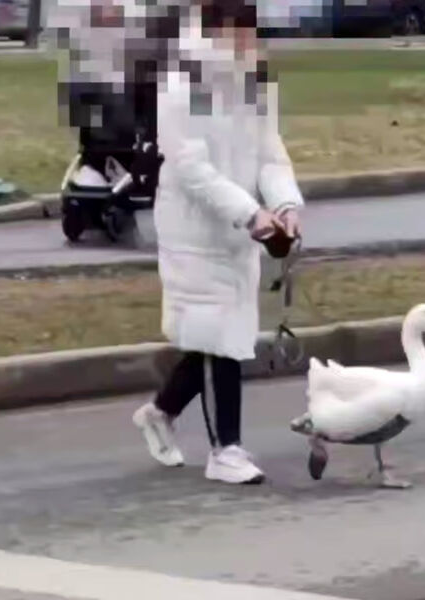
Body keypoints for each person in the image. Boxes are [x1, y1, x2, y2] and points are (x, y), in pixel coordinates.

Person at [132, 0, 304, 485]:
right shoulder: (181, 82)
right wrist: (248, 211)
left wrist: (285, 205)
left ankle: (161, 412)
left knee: (223, 334)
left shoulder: (254, 82)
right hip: (193, 230)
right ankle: (225, 449)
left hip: (242, 225)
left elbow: (270, 153)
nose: (253, 41)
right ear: (217, 29)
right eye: (243, 31)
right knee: (218, 335)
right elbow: (190, 168)